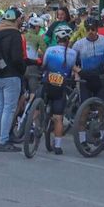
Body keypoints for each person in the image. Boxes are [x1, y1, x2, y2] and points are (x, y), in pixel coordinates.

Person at [0, 7, 26, 151]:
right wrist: (22, 70)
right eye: (20, 18)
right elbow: (17, 58)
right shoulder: (15, 35)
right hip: (11, 75)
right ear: (16, 19)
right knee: (9, 108)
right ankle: (4, 141)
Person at [40, 23, 76, 155]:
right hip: (60, 87)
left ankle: (33, 129)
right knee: (58, 117)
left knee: (37, 106)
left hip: (47, 83)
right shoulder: (73, 53)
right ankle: (58, 146)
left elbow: (44, 65)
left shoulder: (50, 50)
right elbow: (72, 71)